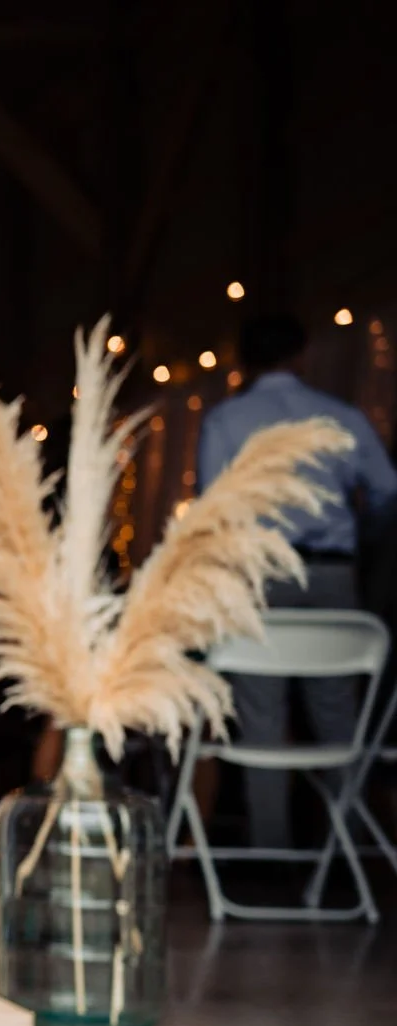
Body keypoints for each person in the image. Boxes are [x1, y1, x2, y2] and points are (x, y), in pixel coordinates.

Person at [199, 313, 397, 849]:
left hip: (260, 574)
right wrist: (358, 535)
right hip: (332, 575)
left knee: (261, 718)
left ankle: (270, 852)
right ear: (302, 355)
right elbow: (386, 493)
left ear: (242, 360)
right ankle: (344, 850)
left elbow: (211, 511)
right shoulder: (341, 417)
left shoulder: (225, 421)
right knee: (339, 717)